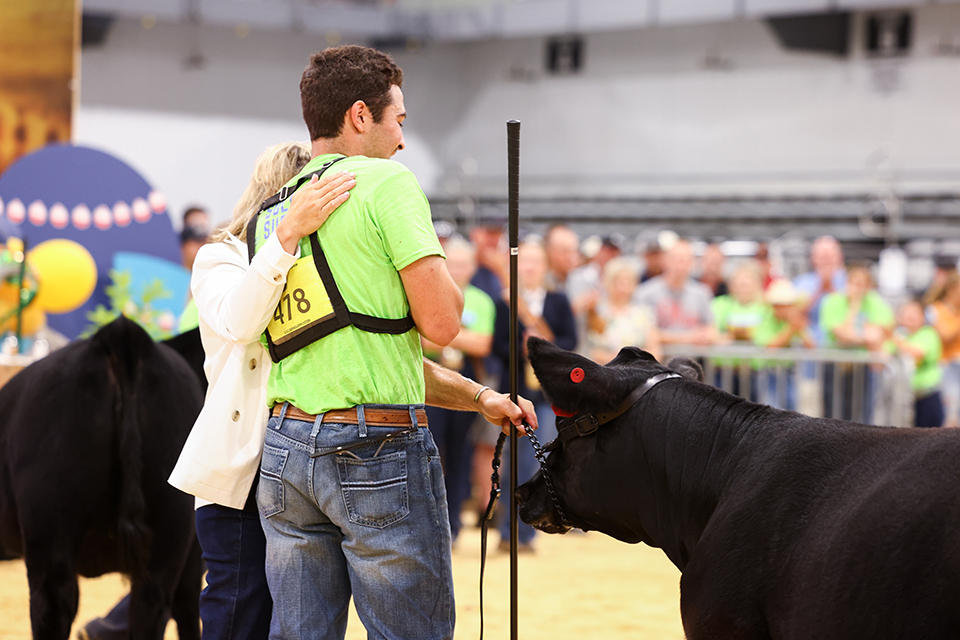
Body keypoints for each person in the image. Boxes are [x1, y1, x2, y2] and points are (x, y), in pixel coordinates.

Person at [250, 46, 536, 640]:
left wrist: (481, 398)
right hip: (375, 448)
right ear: (360, 115)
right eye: (398, 121)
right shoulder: (386, 183)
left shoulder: (274, 213)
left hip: (284, 450)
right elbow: (442, 324)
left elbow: (361, 345)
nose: (402, 140)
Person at [492, 239, 576, 553]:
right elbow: (498, 346)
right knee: (517, 461)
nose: (529, 267)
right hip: (516, 392)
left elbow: (569, 341)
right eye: (524, 261)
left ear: (544, 266)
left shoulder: (558, 300)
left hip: (548, 394)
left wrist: (540, 348)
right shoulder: (504, 303)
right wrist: (524, 349)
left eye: (535, 261)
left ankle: (527, 531)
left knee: (541, 460)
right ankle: (509, 531)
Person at [420, 237, 495, 543]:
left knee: (462, 452)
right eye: (453, 263)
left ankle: (454, 524)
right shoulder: (429, 293)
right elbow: (423, 341)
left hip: (467, 375)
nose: (459, 269)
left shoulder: (482, 300)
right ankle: (431, 522)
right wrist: (462, 336)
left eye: (465, 264)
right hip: (433, 375)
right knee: (431, 450)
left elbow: (483, 343)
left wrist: (448, 335)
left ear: (473, 267)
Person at [819, 264, 893, 423]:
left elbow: (884, 330)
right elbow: (841, 334)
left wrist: (859, 336)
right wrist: (854, 307)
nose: (856, 288)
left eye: (861, 284)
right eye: (853, 282)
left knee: (862, 416)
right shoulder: (832, 301)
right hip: (835, 366)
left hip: (863, 368)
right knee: (834, 415)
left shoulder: (875, 302)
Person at [634, 238, 716, 346]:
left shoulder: (702, 292)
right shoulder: (645, 293)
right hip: (656, 360)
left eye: (686, 260)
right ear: (665, 260)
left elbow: (712, 330)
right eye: (676, 259)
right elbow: (644, 334)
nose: (680, 265)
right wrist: (689, 338)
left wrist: (706, 335)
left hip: (691, 360)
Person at [585, 256, 661, 363]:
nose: (623, 287)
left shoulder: (644, 313)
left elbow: (655, 349)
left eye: (628, 282)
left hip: (638, 370)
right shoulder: (597, 311)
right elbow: (592, 350)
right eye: (619, 281)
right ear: (609, 282)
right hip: (604, 370)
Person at [889, 298, 944, 428]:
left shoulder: (929, 334)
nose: (910, 317)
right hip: (904, 398)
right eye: (906, 313)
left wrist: (893, 339)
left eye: (914, 313)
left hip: (927, 395)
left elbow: (918, 353)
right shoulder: (901, 334)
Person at [793, 235, 846, 344]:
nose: (826, 261)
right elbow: (794, 315)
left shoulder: (851, 282)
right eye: (822, 256)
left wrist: (832, 290)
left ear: (839, 257)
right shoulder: (801, 283)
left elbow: (856, 312)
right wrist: (818, 291)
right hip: (808, 345)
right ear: (813, 258)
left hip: (842, 346)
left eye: (830, 257)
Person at [928, 272, 960, 426]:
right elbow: (945, 334)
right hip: (945, 367)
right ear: (952, 289)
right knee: (949, 413)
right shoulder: (935, 310)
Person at [543, 224, 581, 292]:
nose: (570, 257)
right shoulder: (540, 282)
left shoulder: (581, 280)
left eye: (574, 251)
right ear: (550, 251)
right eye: (565, 251)